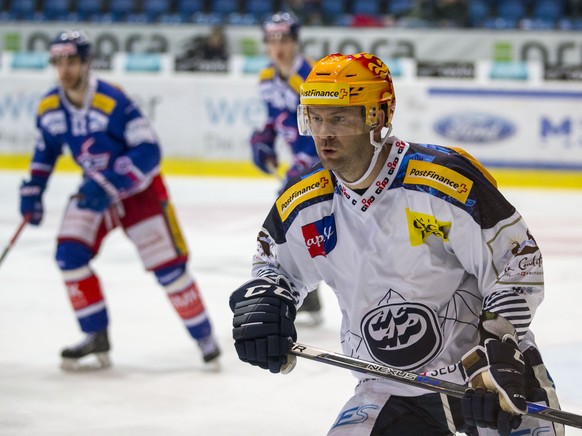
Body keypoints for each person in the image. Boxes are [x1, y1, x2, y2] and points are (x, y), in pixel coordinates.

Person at [229, 52, 563, 435]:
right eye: (316, 118)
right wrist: (267, 302)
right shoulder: (304, 204)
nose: (324, 134)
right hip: (388, 386)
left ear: (379, 117)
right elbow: (273, 268)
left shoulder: (444, 182)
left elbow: (516, 262)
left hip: (488, 380)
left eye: (339, 118)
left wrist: (500, 350)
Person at [19, 30, 220, 371]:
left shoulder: (112, 101)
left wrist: (114, 182)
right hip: (95, 190)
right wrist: (33, 190)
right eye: (58, 62)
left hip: (139, 192)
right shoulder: (50, 107)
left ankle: (204, 336)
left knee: (169, 269)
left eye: (71, 61)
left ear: (86, 62)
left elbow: (149, 150)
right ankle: (95, 334)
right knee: (69, 253)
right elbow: (46, 151)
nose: (65, 69)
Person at [250, 11, 323, 325]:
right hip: (300, 163)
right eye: (272, 39)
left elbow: (325, 126)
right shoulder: (267, 78)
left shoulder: (311, 78)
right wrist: (263, 140)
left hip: (325, 159)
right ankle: (310, 297)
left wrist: (304, 163)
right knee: (301, 227)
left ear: (296, 42)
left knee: (294, 223)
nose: (278, 46)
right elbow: (273, 117)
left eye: (285, 39)